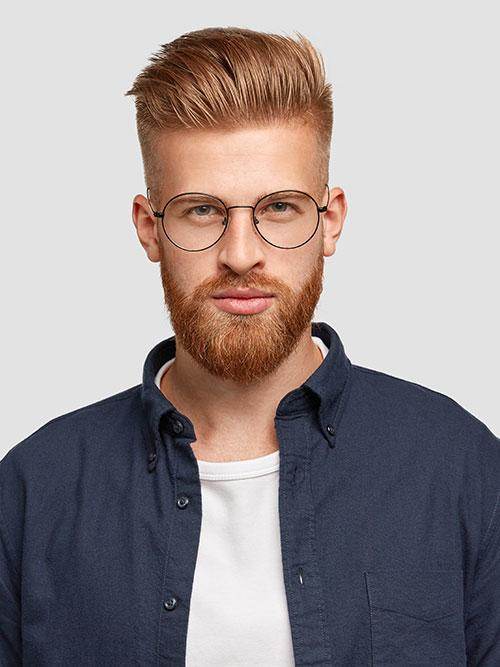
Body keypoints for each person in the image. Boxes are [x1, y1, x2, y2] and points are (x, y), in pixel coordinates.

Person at [0, 26, 498, 666]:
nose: (240, 255)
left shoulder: (459, 468)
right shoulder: (33, 491)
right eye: (202, 210)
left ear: (330, 222)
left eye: (280, 208)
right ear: (149, 229)